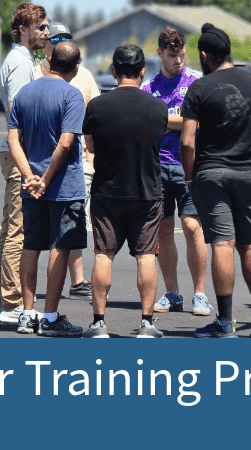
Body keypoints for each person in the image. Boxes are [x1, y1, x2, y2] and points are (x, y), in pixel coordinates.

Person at [180, 23, 251, 338]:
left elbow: (187, 142)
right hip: (248, 174)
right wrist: (250, 111)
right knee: (250, 245)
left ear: (204, 55)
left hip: (212, 174)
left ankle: (225, 323)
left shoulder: (199, 88)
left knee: (222, 245)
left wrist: (190, 180)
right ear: (228, 51)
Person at [81, 45, 169, 338]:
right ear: (143, 71)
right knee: (146, 255)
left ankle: (98, 323)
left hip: (108, 191)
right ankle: (147, 322)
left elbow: (90, 147)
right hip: (146, 191)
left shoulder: (96, 106)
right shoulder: (158, 108)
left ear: (114, 71)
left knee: (103, 254)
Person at [7, 41, 87, 337]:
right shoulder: (72, 94)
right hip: (63, 186)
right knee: (60, 246)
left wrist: (30, 176)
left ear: (50, 61)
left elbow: (13, 139)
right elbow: (66, 142)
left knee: (31, 245)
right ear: (75, 68)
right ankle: (50, 317)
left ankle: (27, 314)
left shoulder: (25, 92)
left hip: (32, 186)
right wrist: (47, 178)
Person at [140, 27, 211, 317]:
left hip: (189, 163)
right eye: (171, 55)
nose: (178, 60)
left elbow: (201, 121)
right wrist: (180, 119)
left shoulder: (196, 82)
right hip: (157, 166)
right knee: (163, 230)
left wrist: (167, 120)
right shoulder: (149, 88)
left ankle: (200, 293)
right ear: (160, 53)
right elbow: (148, 123)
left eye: (181, 54)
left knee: (193, 227)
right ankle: (172, 292)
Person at [0, 3, 49, 324]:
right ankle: (12, 303)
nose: (46, 32)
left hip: (16, 153)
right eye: (41, 27)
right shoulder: (19, 64)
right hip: (20, 154)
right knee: (17, 230)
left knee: (9, 229)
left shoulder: (26, 61)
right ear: (23, 28)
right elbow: (18, 111)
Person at [39, 22, 99, 301]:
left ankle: (77, 280)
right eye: (55, 38)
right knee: (37, 233)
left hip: (77, 160)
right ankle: (41, 298)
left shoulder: (83, 75)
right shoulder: (35, 73)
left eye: (65, 38)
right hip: (41, 162)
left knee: (74, 221)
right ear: (46, 42)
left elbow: (97, 113)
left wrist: (93, 152)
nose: (60, 41)